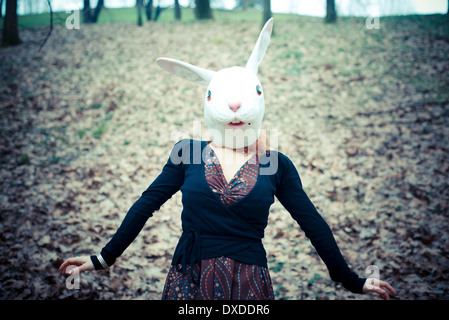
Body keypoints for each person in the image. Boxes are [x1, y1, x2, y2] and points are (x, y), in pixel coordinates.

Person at [60, 18, 396, 300]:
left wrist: (351, 280)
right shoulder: (187, 153)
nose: (234, 109)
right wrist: (103, 258)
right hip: (188, 282)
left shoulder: (275, 164)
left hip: (249, 286)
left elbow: (313, 224)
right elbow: (146, 204)